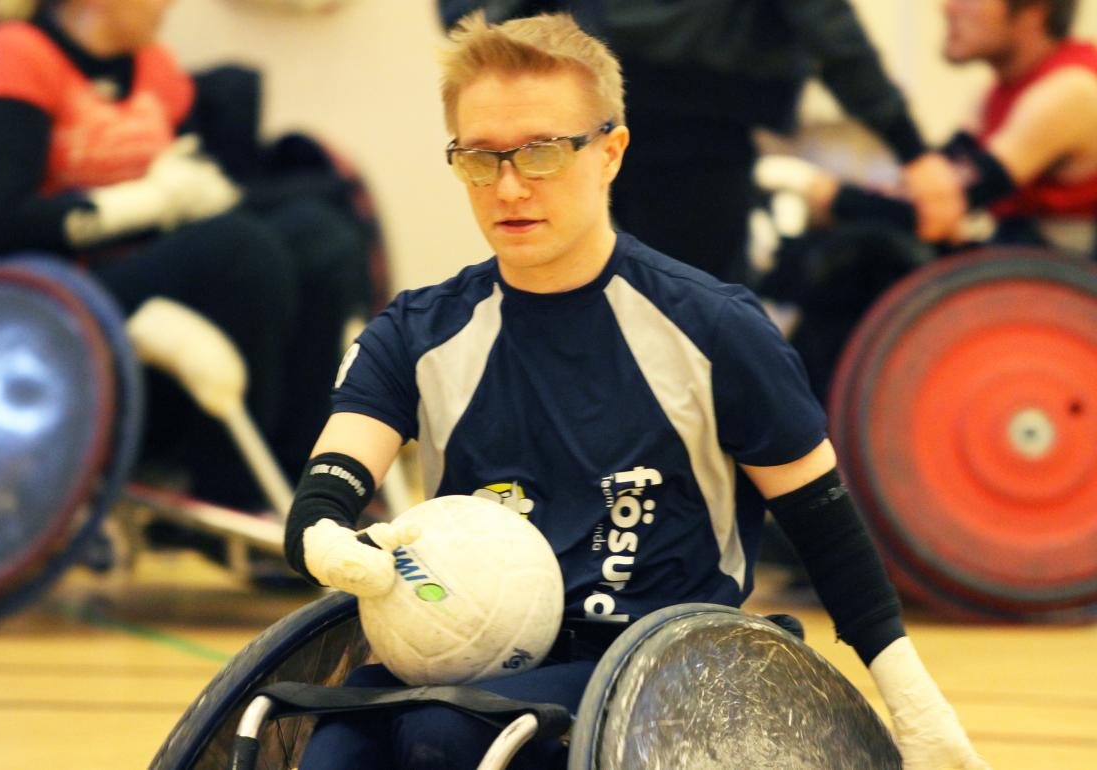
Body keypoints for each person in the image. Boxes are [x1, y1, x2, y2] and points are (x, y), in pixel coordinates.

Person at [283, 12, 988, 770]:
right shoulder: (416, 331)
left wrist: (914, 704)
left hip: (664, 672)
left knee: (447, 739)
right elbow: (328, 488)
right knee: (335, 750)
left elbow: (826, 530)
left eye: (543, 152)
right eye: (481, 159)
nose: (510, 186)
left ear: (611, 152)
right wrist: (324, 540)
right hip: (468, 648)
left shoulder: (715, 329)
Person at [0, 0, 369, 509]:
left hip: (147, 268)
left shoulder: (154, 65)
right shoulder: (13, 56)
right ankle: (231, 489)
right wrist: (149, 202)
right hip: (55, 298)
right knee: (239, 250)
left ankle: (306, 482)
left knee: (320, 237)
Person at [438, 0, 964, 282]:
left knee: (625, 303)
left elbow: (463, 14)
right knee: (701, 323)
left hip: (580, 118)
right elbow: (827, 25)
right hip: (693, 121)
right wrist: (912, 149)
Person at [757, 0, 1096, 401]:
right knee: (840, 254)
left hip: (1065, 297)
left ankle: (801, 429)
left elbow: (943, 206)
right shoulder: (997, 93)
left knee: (862, 258)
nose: (946, 8)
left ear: (1034, 10)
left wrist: (820, 190)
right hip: (1029, 273)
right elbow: (927, 193)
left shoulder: (1071, 89)